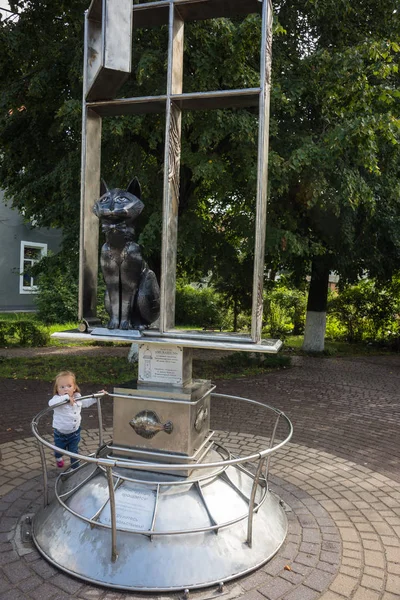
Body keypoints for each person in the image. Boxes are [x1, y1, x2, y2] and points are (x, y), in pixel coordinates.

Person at [49, 370, 104, 469]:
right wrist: (65, 398)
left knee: (74, 452)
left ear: (74, 388)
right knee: (59, 450)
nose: (66, 389)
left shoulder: (77, 397)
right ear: (57, 389)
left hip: (74, 433)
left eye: (69, 386)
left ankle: (75, 468)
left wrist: (97, 397)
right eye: (62, 387)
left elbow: (86, 403)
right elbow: (51, 404)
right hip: (60, 433)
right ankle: (58, 458)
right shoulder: (57, 399)